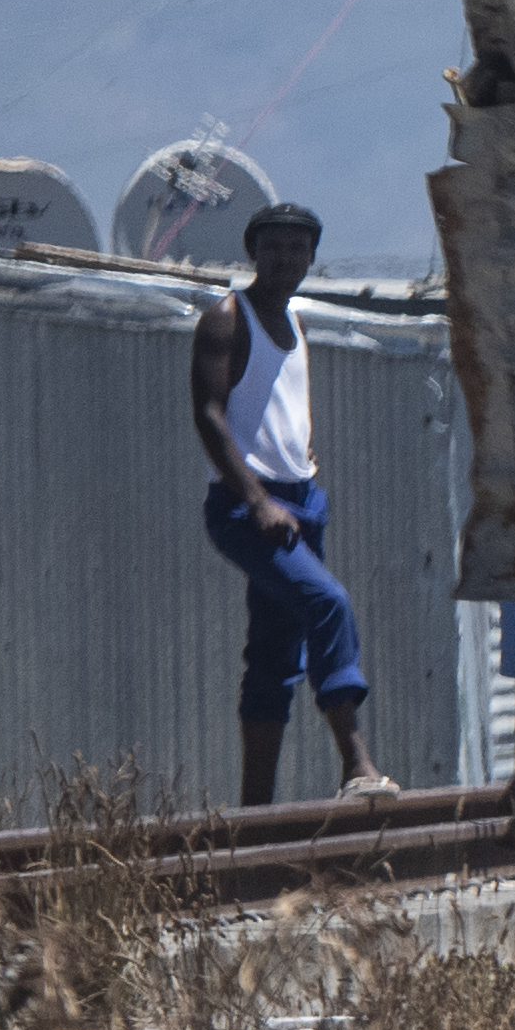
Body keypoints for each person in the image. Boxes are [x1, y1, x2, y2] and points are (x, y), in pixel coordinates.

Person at [187, 202, 384, 804]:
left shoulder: (295, 321)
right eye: (273, 247)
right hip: (248, 506)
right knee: (328, 603)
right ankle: (357, 765)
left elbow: (278, 410)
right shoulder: (228, 318)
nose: (285, 259)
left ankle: (255, 812)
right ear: (253, 252)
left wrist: (301, 467)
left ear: (312, 257)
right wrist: (257, 500)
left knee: (274, 656)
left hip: (301, 502)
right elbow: (210, 415)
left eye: (298, 248)